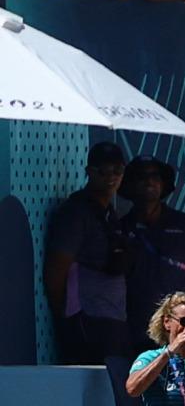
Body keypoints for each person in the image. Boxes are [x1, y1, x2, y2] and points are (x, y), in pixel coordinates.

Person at [41, 142, 131, 365]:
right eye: (103, 171)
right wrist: (67, 317)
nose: (110, 177)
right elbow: (56, 271)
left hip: (113, 318)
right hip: (87, 320)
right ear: (89, 172)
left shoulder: (110, 211)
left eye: (117, 171)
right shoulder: (75, 212)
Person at [119, 156, 185, 334]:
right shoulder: (121, 228)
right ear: (130, 184)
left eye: (155, 176)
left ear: (164, 184)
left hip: (183, 327)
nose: (149, 181)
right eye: (142, 177)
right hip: (136, 327)